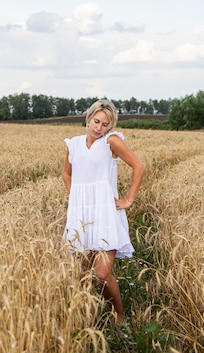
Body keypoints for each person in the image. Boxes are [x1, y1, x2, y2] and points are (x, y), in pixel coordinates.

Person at [62, 99, 145, 327]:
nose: (99, 127)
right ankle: (88, 321)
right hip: (81, 215)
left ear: (110, 126)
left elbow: (139, 166)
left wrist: (128, 200)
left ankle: (119, 320)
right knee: (84, 275)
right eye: (96, 121)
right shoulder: (74, 144)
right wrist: (76, 198)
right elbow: (66, 174)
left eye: (104, 124)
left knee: (101, 274)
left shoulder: (111, 141)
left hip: (105, 214)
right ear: (88, 118)